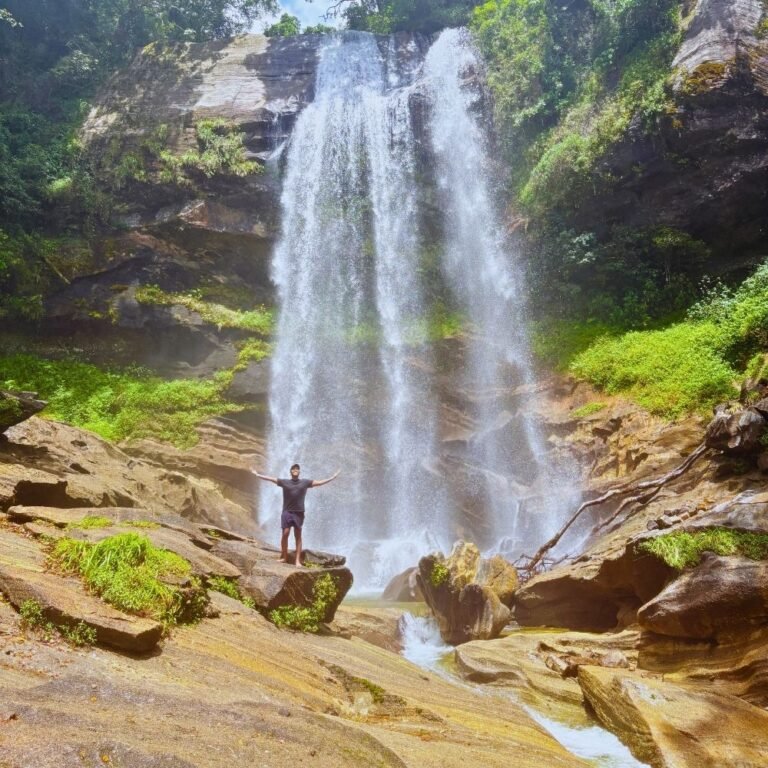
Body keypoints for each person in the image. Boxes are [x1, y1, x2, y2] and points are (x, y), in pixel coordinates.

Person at [253, 463, 340, 566]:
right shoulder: (285, 482)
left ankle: (297, 561)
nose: (295, 470)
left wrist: (333, 477)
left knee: (298, 536)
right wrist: (257, 475)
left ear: (299, 472)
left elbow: (320, 483)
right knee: (285, 534)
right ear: (290, 471)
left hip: (299, 513)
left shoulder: (305, 482)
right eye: (293, 469)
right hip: (286, 512)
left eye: (297, 469)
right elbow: (271, 479)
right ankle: (284, 557)